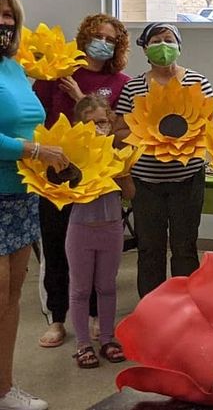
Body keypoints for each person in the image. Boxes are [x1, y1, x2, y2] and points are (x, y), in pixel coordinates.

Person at [33, 13, 130, 348]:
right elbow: (36, 120)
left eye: (111, 40)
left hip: (97, 181)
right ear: (85, 37)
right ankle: (57, 319)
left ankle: (93, 315)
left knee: (95, 254)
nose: (103, 43)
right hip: (57, 177)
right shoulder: (57, 75)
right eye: (98, 36)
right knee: (56, 246)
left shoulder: (120, 82)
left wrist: (81, 100)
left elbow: (118, 131)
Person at [0, 0, 68, 410]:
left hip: (21, 195)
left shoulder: (13, 67)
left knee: (11, 300)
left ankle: (4, 388)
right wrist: (35, 150)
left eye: (8, 15)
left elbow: (28, 122)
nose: (3, 22)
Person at [113, 23, 213, 297]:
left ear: (179, 46)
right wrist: (145, 134)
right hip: (146, 182)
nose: (163, 46)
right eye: (156, 41)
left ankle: (187, 307)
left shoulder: (198, 82)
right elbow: (117, 132)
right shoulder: (133, 87)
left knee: (185, 247)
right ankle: (152, 308)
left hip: (188, 179)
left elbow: (212, 127)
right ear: (145, 49)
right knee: (149, 248)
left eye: (169, 40)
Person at [67, 96, 134, 369]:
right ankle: (83, 343)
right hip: (81, 229)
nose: (98, 128)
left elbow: (130, 194)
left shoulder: (117, 155)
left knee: (107, 286)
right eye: (91, 123)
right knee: (80, 289)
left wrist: (123, 172)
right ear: (79, 125)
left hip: (111, 228)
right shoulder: (73, 157)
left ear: (111, 122)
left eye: (103, 122)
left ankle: (107, 338)